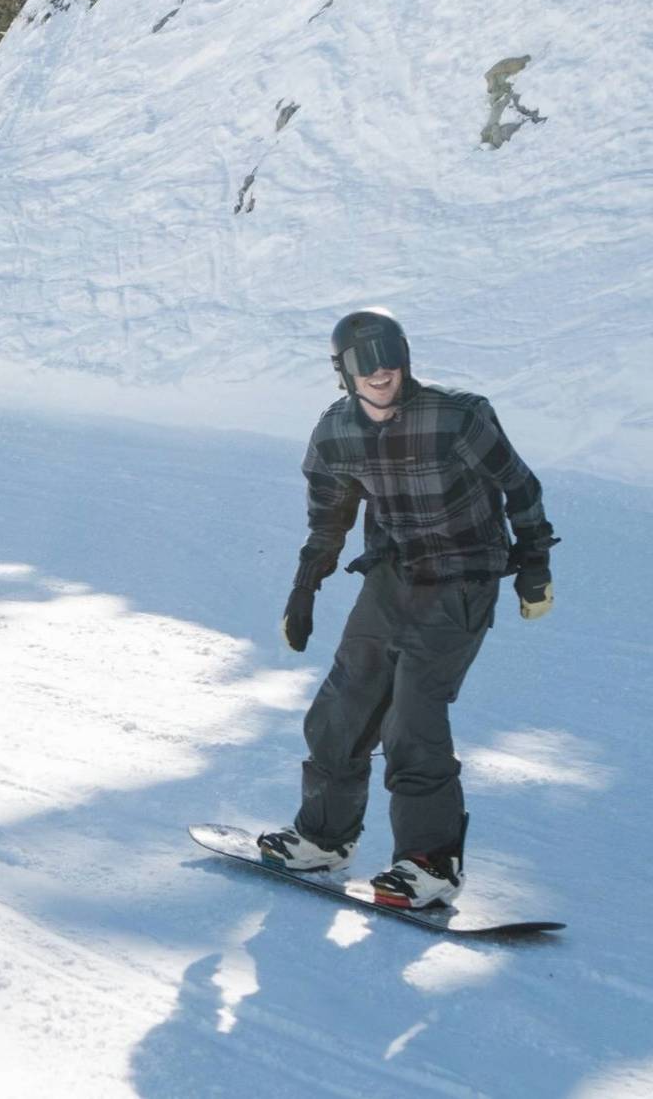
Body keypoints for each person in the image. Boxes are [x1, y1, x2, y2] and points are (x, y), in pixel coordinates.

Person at [257, 309, 558, 909]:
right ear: (343, 371)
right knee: (342, 706)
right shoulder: (334, 433)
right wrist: (304, 587)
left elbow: (520, 487)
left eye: (390, 354)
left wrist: (534, 565)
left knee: (412, 717)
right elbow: (329, 517)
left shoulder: (457, 416)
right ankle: (324, 837)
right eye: (364, 360)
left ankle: (430, 862)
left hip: (463, 577)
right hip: (392, 575)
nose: (381, 370)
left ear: (406, 356)